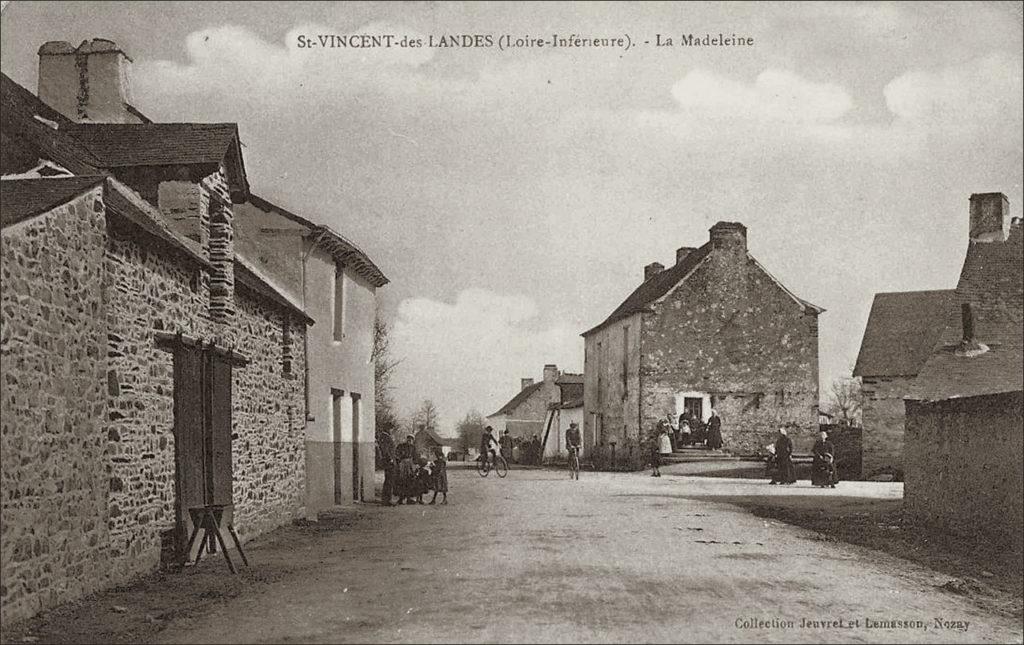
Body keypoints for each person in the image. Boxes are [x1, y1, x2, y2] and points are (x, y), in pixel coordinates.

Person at [376, 430, 397, 506]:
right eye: (391, 428)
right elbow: (385, 449)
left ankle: (387, 499)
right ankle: (386, 500)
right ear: (388, 428)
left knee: (389, 480)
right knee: (389, 480)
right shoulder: (385, 437)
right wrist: (390, 458)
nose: (392, 430)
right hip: (389, 462)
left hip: (389, 461)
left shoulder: (386, 436)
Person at [395, 434, 416, 504]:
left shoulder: (413, 447)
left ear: (413, 440)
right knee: (401, 481)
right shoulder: (401, 446)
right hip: (403, 464)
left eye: (411, 439)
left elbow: (415, 457)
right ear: (406, 439)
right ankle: (401, 498)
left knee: (410, 481)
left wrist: (415, 465)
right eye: (408, 439)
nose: (409, 440)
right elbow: (396, 454)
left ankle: (408, 498)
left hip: (410, 464)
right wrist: (399, 461)